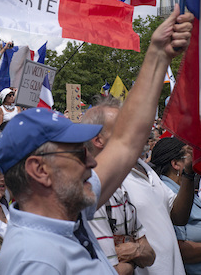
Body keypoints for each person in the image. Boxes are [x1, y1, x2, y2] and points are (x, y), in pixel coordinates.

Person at [0, 6, 193, 274]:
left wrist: (158, 54)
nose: (91, 160)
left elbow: (125, 141)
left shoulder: (68, 208)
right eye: (77, 154)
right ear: (39, 170)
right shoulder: (35, 262)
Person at [81, 105, 156, 274]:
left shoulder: (119, 189)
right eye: (122, 128)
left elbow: (150, 256)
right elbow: (112, 271)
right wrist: (134, 259)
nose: (132, 133)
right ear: (99, 140)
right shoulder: (90, 192)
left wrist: (134, 250)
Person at [151, 137, 201, 275]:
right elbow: (178, 247)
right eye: (189, 157)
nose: (196, 161)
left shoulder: (183, 190)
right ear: (176, 164)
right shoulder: (167, 194)